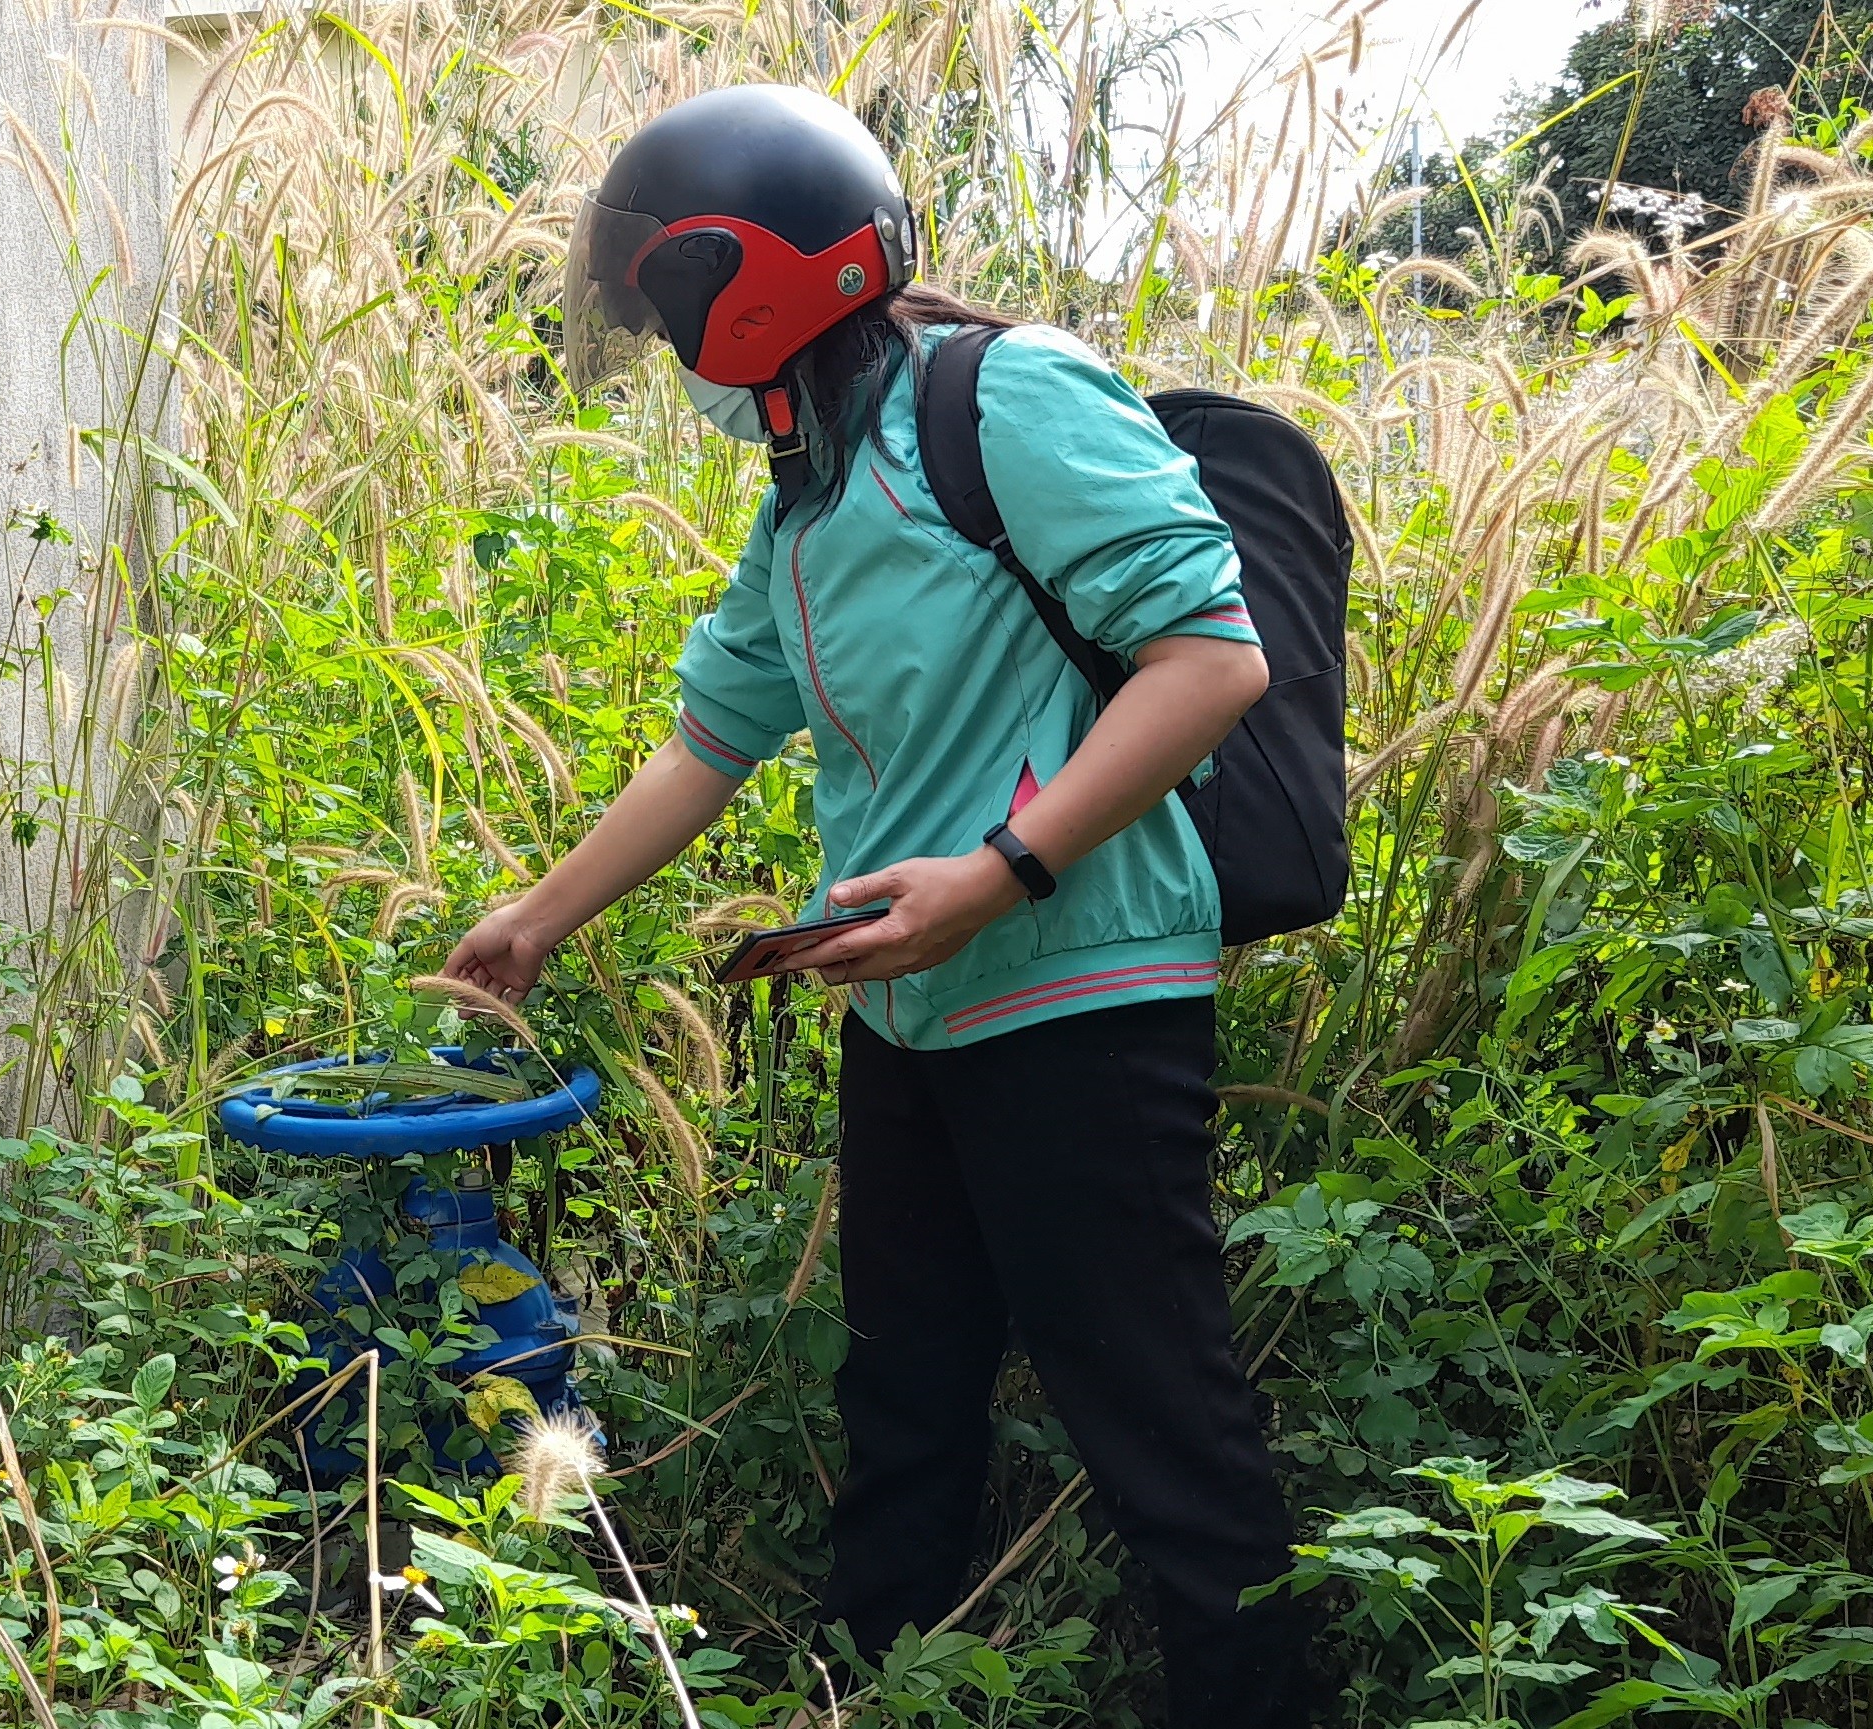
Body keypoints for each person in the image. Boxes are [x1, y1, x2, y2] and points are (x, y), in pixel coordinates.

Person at [443, 83, 1308, 1726]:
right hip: (912, 1002)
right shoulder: (812, 480)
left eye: (662, 302)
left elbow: (1212, 658)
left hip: (1081, 991)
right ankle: (862, 1689)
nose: (654, 338)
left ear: (746, 276)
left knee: (1155, 1415)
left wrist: (998, 873)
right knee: (901, 1384)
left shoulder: (1007, 401)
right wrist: (537, 919)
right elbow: (713, 737)